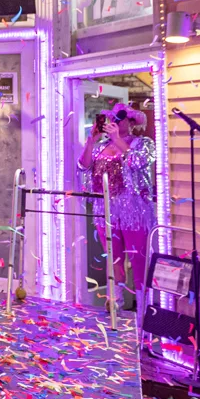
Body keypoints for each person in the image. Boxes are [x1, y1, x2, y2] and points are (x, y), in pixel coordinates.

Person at [78, 103, 156, 313]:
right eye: (111, 118)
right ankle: (115, 301)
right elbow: (83, 166)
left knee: (139, 259)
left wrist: (118, 140)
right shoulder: (101, 146)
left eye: (119, 118)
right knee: (113, 257)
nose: (114, 122)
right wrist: (91, 141)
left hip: (134, 211)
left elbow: (139, 162)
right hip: (106, 209)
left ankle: (144, 307)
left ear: (131, 122)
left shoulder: (143, 143)